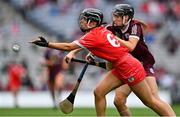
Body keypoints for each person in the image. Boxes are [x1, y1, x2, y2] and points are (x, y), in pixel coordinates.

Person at [30, 8, 176, 116]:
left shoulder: (94, 35)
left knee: (150, 101)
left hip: (130, 67)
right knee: (99, 92)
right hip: (121, 66)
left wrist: (47, 43)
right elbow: (100, 47)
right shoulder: (100, 31)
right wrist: (90, 54)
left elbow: (69, 46)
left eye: (84, 19)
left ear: (92, 22)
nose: (81, 21)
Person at [106, 4, 176, 116]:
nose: (115, 19)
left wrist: (112, 38)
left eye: (118, 16)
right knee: (118, 100)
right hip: (129, 66)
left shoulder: (135, 26)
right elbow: (97, 39)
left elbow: (131, 46)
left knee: (153, 99)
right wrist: (89, 53)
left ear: (127, 17)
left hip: (143, 64)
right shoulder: (112, 28)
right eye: (114, 16)